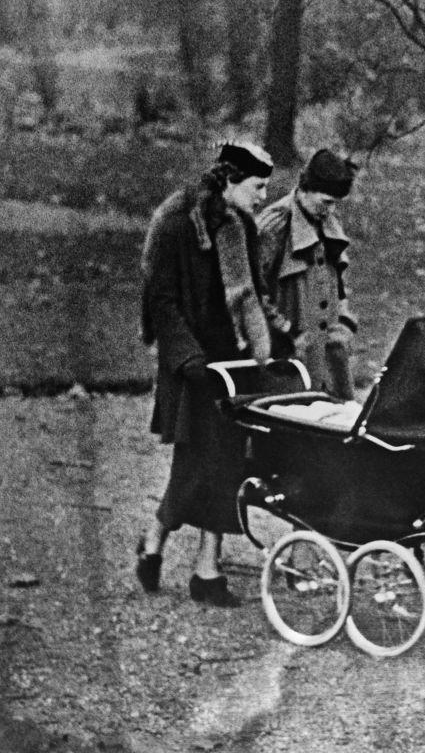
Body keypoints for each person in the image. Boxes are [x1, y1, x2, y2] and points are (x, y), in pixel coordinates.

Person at [136, 139, 291, 607]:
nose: (264, 196)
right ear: (229, 180)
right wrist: (188, 357)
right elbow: (160, 300)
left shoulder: (238, 226)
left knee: (225, 462)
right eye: (258, 186)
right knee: (195, 463)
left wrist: (271, 342)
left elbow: (250, 295)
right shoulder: (176, 222)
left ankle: (205, 568)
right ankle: (155, 541)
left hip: (232, 362)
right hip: (193, 365)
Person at [257, 148, 358, 399]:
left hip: (329, 353)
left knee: (334, 422)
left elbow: (339, 283)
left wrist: (344, 324)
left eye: (335, 204)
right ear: (304, 189)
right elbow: (253, 292)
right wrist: (285, 331)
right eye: (325, 202)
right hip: (287, 354)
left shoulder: (328, 223)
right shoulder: (273, 226)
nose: (330, 210)